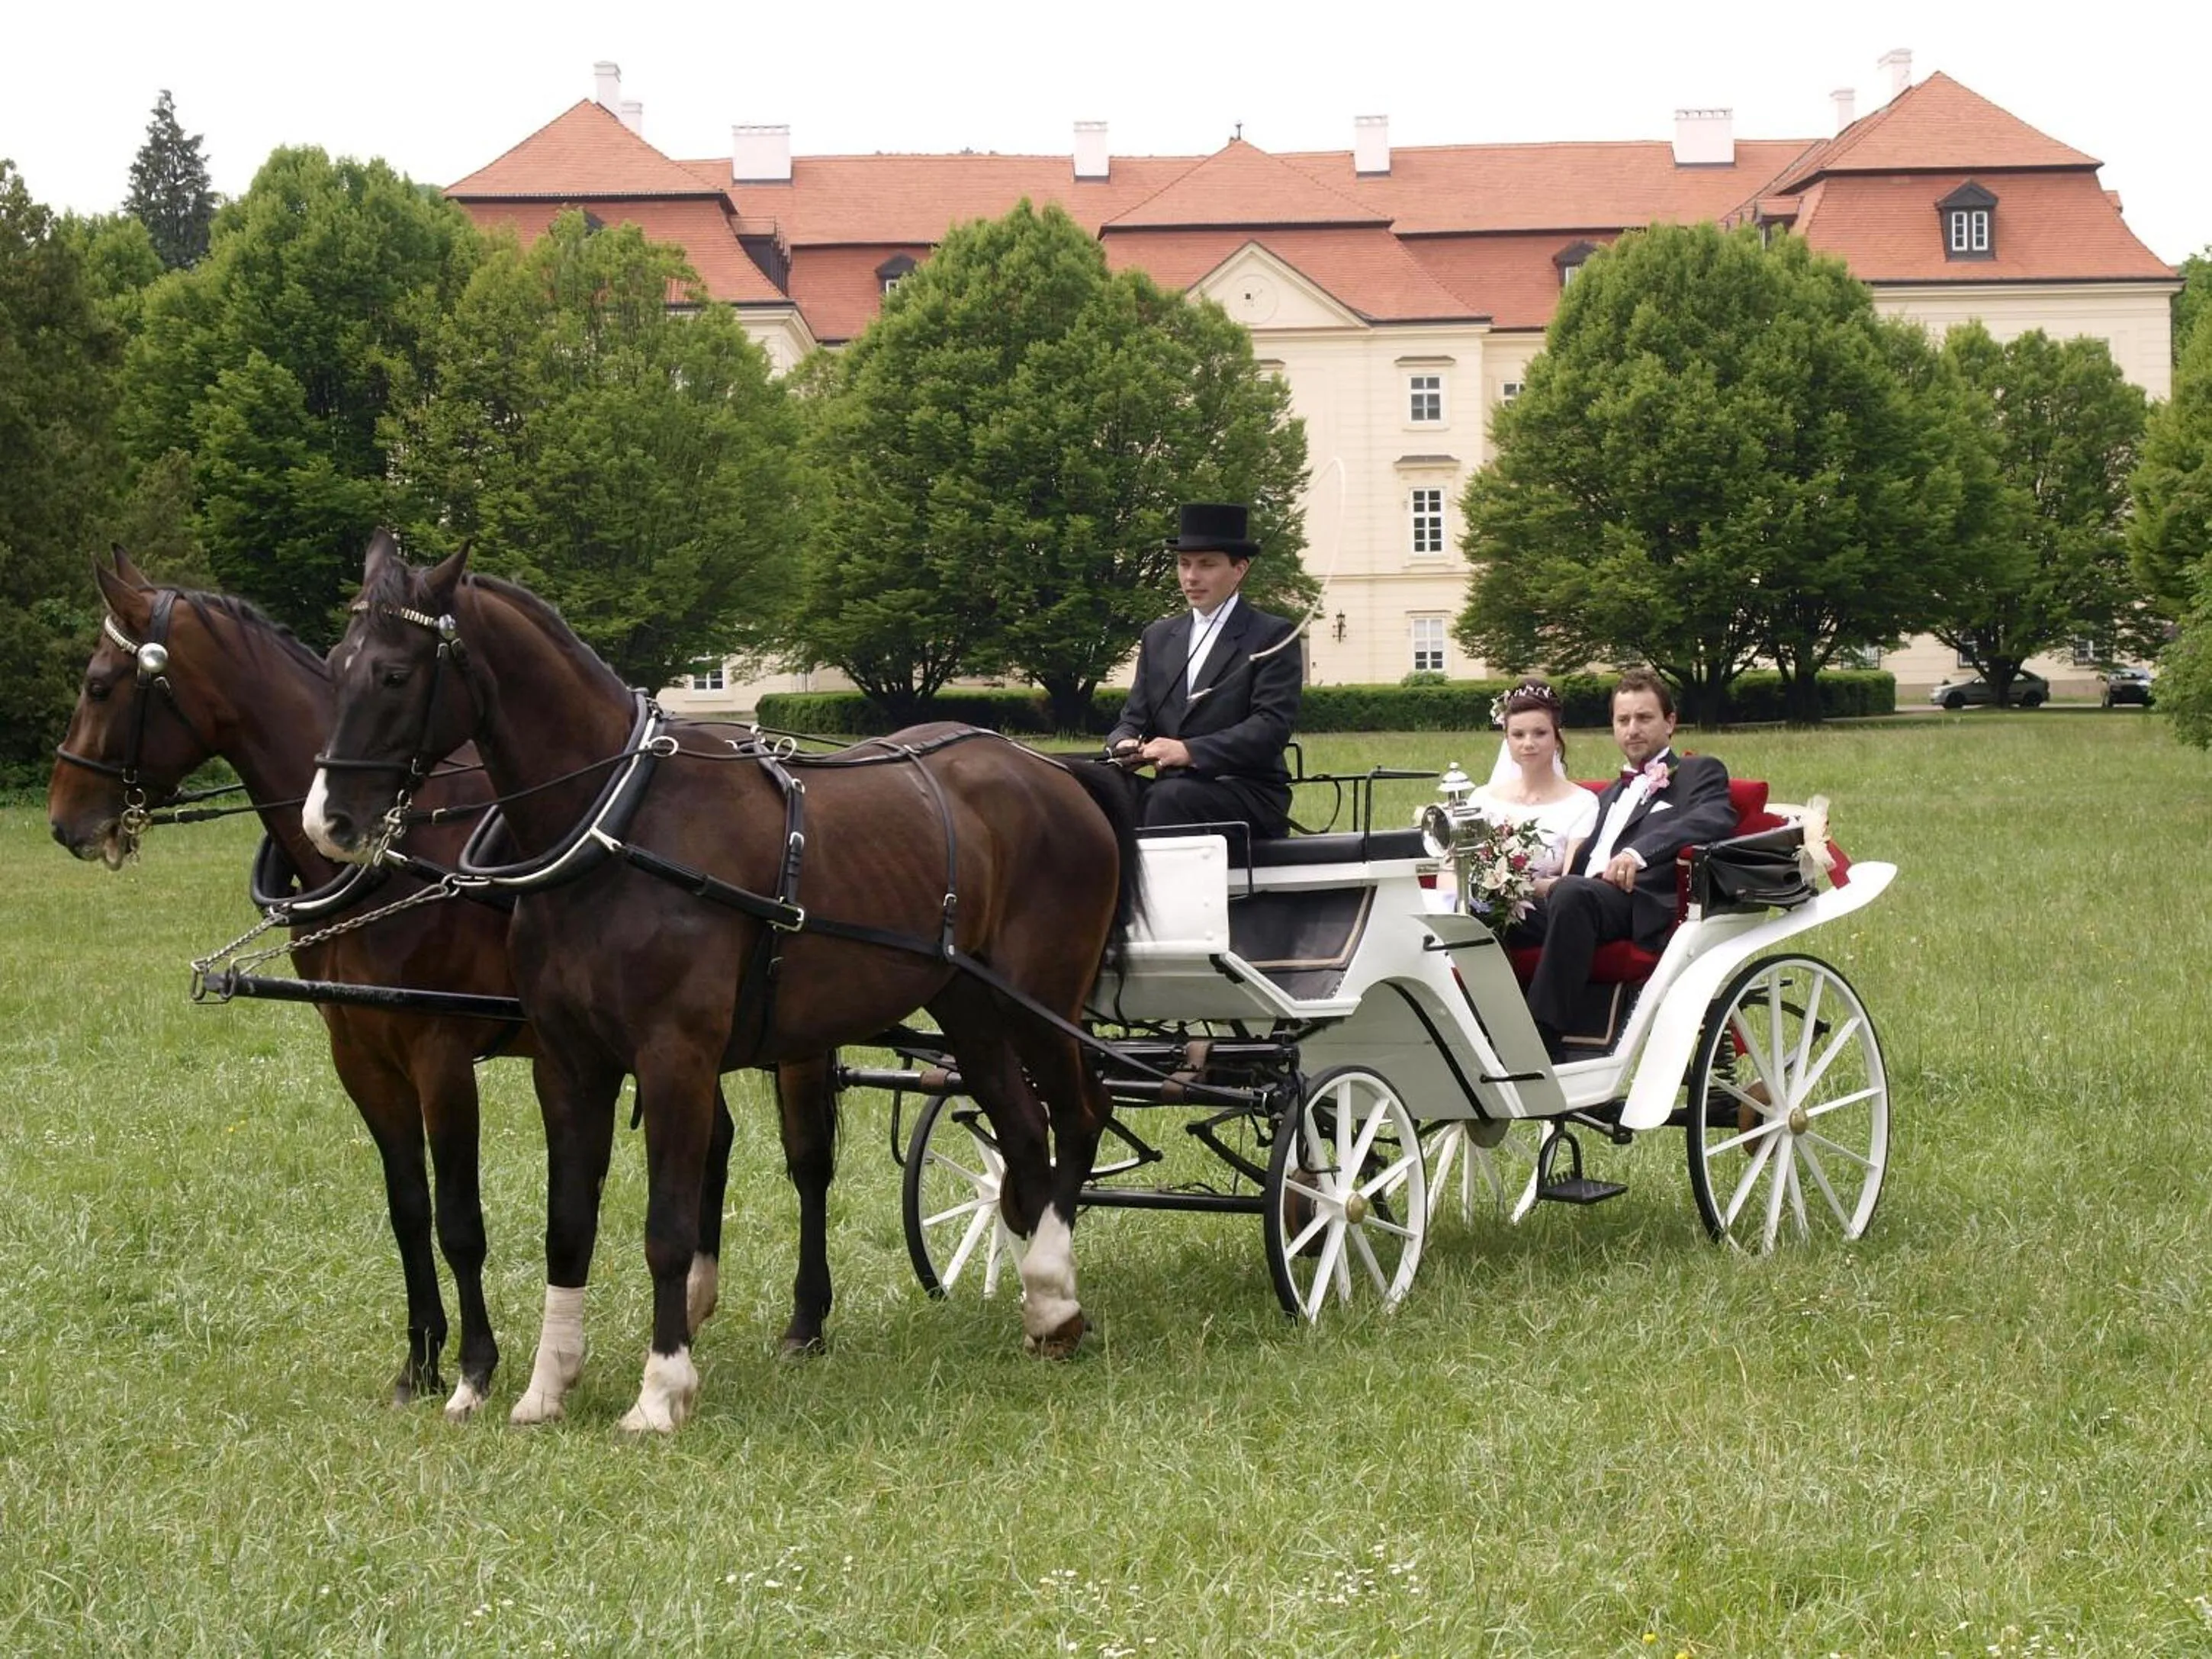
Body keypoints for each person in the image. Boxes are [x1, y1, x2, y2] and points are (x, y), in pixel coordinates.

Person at [1509, 667, 1737, 1060]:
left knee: (1573, 894)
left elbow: (1713, 818)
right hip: (1579, 899)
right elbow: (1576, 863)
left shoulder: (1699, 772)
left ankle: (1539, 1038)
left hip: (1638, 904)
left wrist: (1637, 852)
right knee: (1496, 906)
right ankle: (1486, 1027)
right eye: (1623, 720)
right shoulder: (1609, 794)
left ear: (1670, 722)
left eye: (1644, 718)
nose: (1633, 729)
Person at [1106, 503, 1301, 838]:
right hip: (1173, 791)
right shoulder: (1158, 637)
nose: (1191, 577)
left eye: (1206, 565)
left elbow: (1269, 728)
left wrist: (1189, 751)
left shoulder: (1272, 635)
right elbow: (1133, 718)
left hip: (1246, 792)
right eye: (1184, 564)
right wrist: (1123, 743)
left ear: (1239, 570)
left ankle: (1155, 892)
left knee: (1168, 798)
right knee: (1093, 789)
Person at [1471, 680, 1597, 879]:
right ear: (1507, 740)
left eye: (1540, 733)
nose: (1528, 744)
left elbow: (1571, 886)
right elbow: (1451, 871)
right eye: (1518, 735)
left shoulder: (1582, 804)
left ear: (1557, 739)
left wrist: (1508, 886)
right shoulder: (1481, 799)